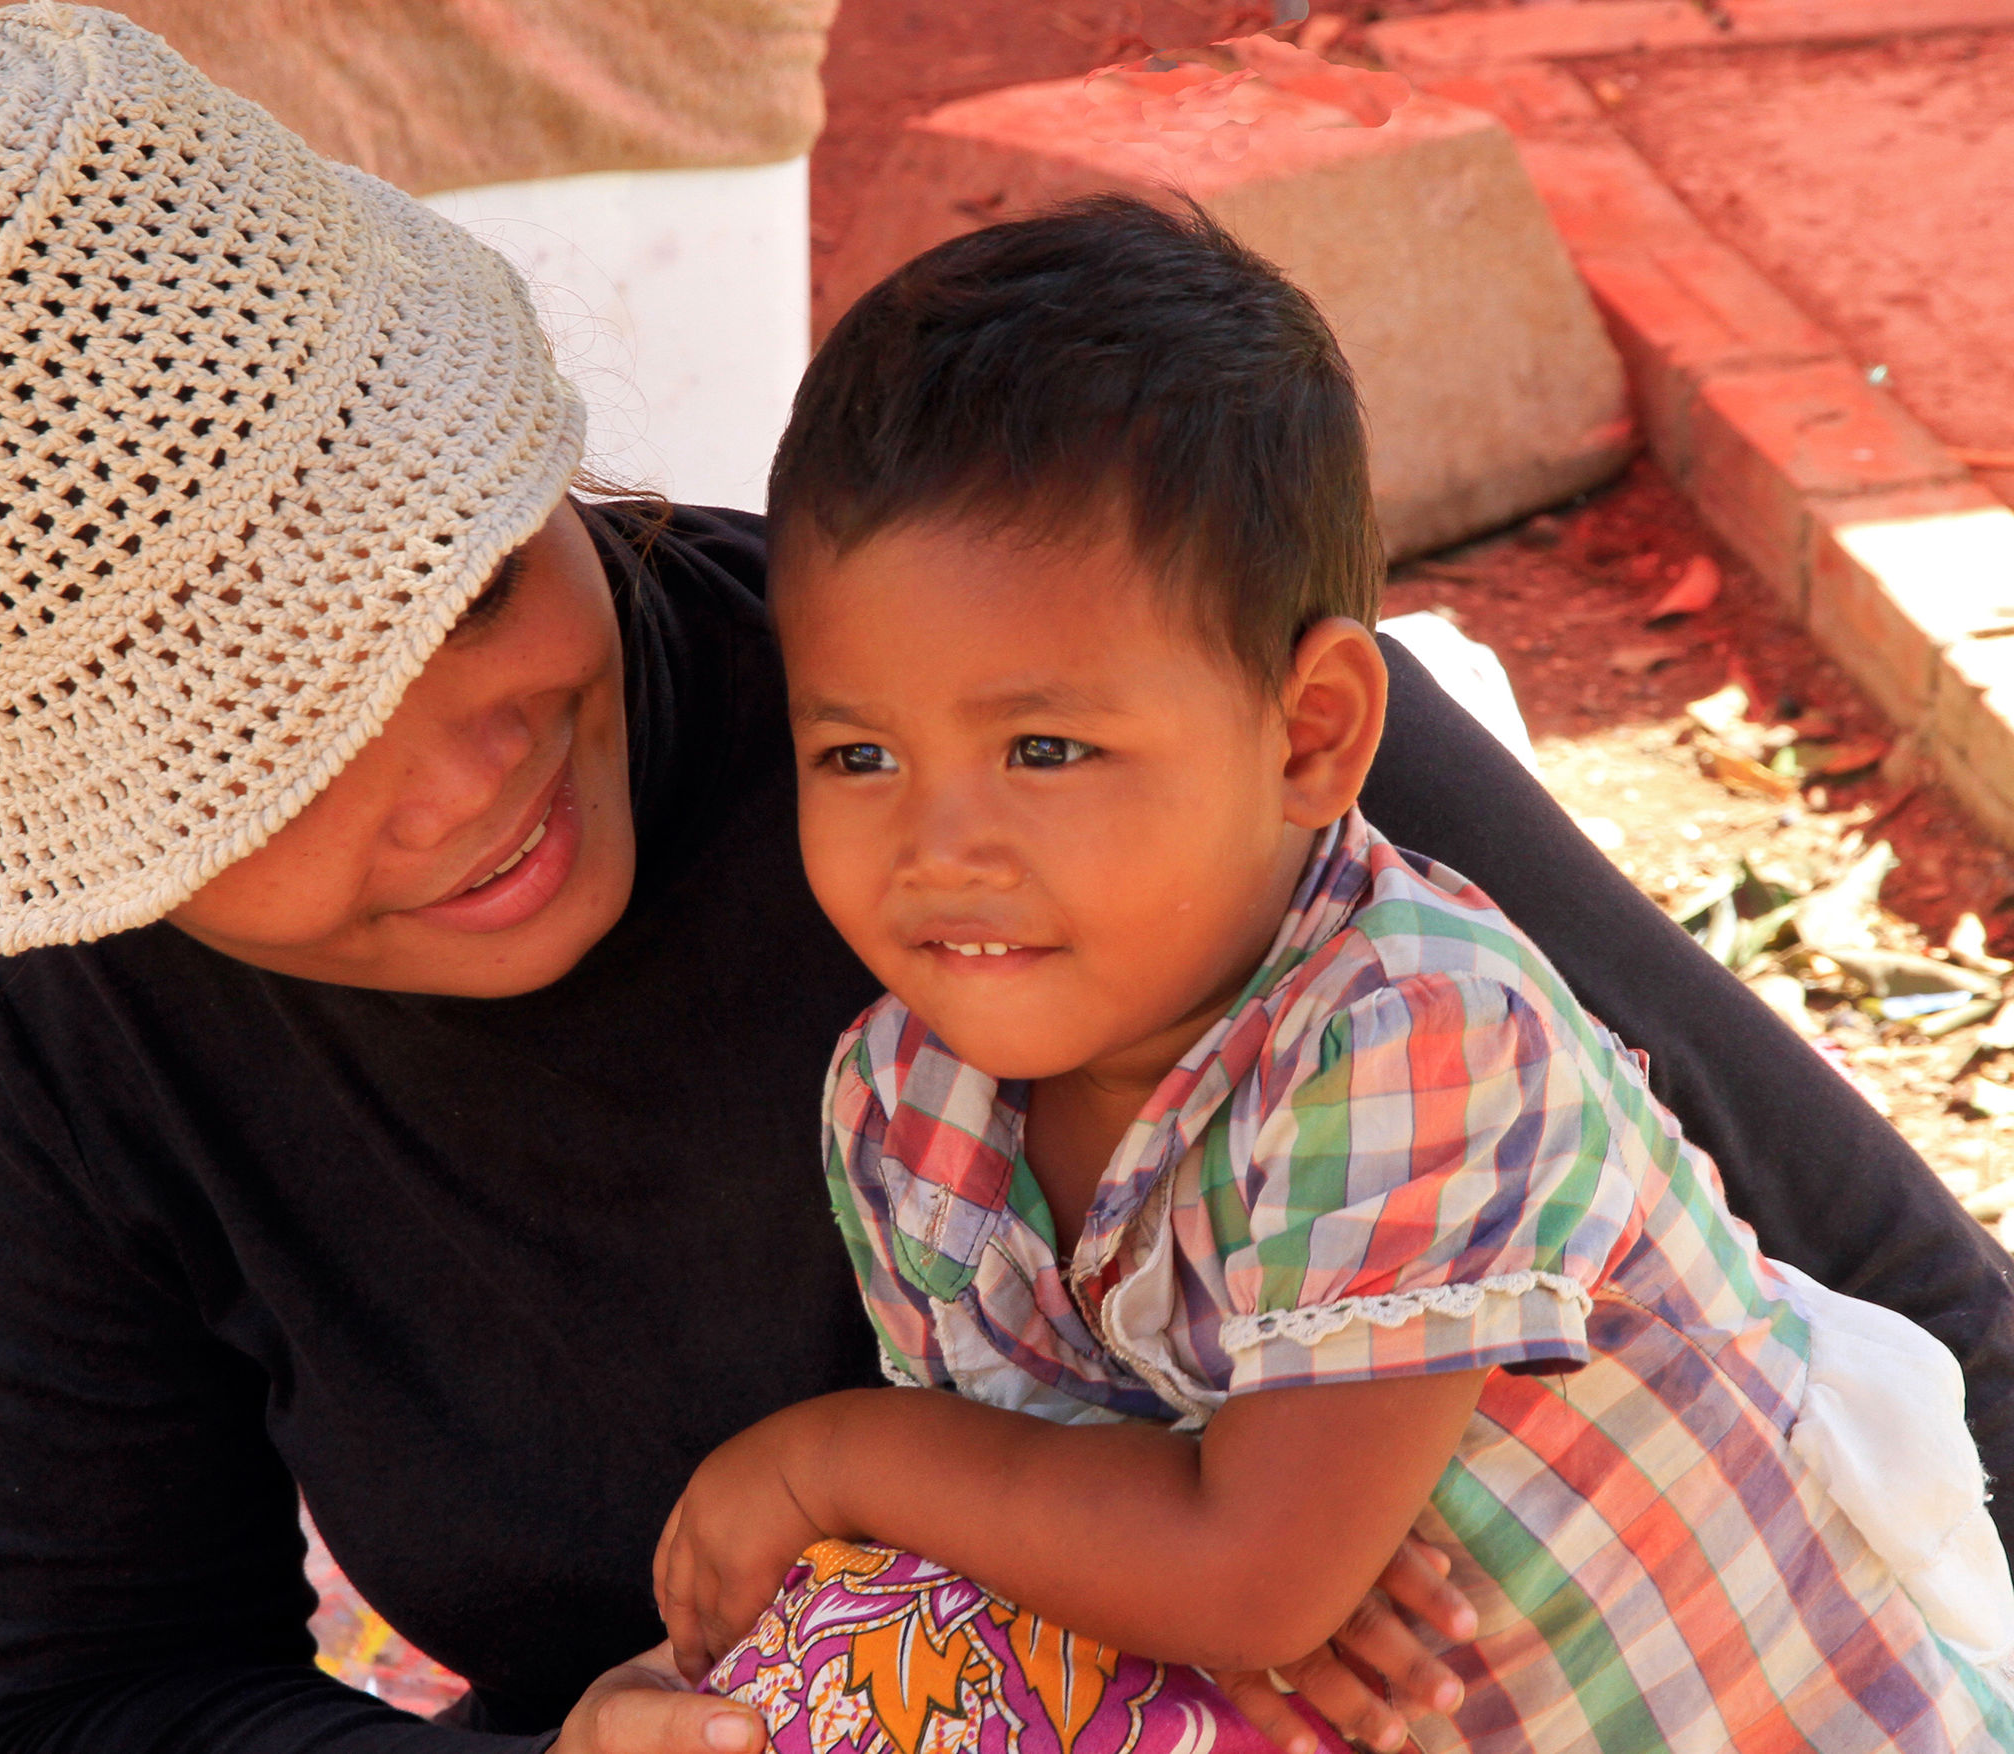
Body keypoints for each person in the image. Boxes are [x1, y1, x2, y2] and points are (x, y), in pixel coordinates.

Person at [0, 9, 2014, 1754]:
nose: (469, 770)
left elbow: (1923, 1311)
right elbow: (120, 1686)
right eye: (275, 758)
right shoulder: (104, 1013)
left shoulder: (1069, 757)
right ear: (108, 853)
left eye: (474, 590)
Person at [652, 197, 2014, 1754]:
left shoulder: (1414, 1034)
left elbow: (1238, 1578)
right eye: (859, 751)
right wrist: (1187, 1547)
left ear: (1310, 733)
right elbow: (1077, 1547)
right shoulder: (902, 1109)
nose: (938, 844)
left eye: (1044, 747)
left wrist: (838, 1456)